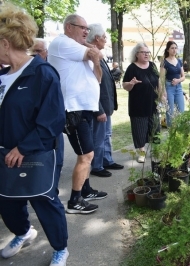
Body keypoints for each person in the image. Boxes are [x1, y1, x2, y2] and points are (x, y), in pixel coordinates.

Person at [0, 2, 69, 265]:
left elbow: (52, 120)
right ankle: (23, 232)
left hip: (37, 152)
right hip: (5, 152)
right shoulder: (2, 76)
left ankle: (60, 248)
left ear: (6, 43)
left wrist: (23, 148)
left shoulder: (42, 74)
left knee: (43, 199)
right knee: (7, 199)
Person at [48, 14, 107, 214]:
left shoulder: (81, 50)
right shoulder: (62, 43)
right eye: (81, 27)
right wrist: (94, 53)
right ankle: (74, 201)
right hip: (72, 109)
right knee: (86, 154)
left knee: (87, 154)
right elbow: (95, 53)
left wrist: (96, 57)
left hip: (85, 108)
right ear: (68, 27)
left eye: (87, 29)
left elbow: (98, 77)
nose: (86, 31)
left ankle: (86, 189)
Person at [87, 23, 124, 177]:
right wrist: (99, 110)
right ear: (96, 38)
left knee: (107, 135)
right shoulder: (91, 57)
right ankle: (97, 166)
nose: (106, 39)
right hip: (99, 108)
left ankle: (107, 160)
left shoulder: (99, 56)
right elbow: (91, 87)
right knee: (99, 137)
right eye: (104, 37)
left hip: (105, 107)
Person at [29, 38, 65, 179]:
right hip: (32, 130)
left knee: (56, 162)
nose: (37, 55)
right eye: (34, 51)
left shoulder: (49, 71)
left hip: (51, 128)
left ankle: (52, 190)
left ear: (46, 52)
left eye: (39, 51)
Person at [122, 43, 161, 163]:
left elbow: (158, 81)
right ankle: (142, 153)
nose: (146, 54)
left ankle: (156, 152)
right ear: (137, 54)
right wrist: (131, 83)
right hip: (138, 105)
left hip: (153, 104)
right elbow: (125, 86)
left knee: (155, 129)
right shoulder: (132, 68)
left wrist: (161, 95)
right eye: (144, 52)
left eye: (148, 52)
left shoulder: (153, 65)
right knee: (140, 130)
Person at [160, 41, 185, 127]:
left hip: (178, 87)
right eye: (172, 48)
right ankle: (170, 130)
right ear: (168, 50)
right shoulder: (164, 62)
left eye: (175, 48)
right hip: (169, 87)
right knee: (170, 111)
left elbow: (183, 77)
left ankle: (180, 129)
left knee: (181, 110)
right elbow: (162, 79)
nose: (174, 50)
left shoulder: (179, 61)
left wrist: (178, 80)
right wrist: (163, 91)